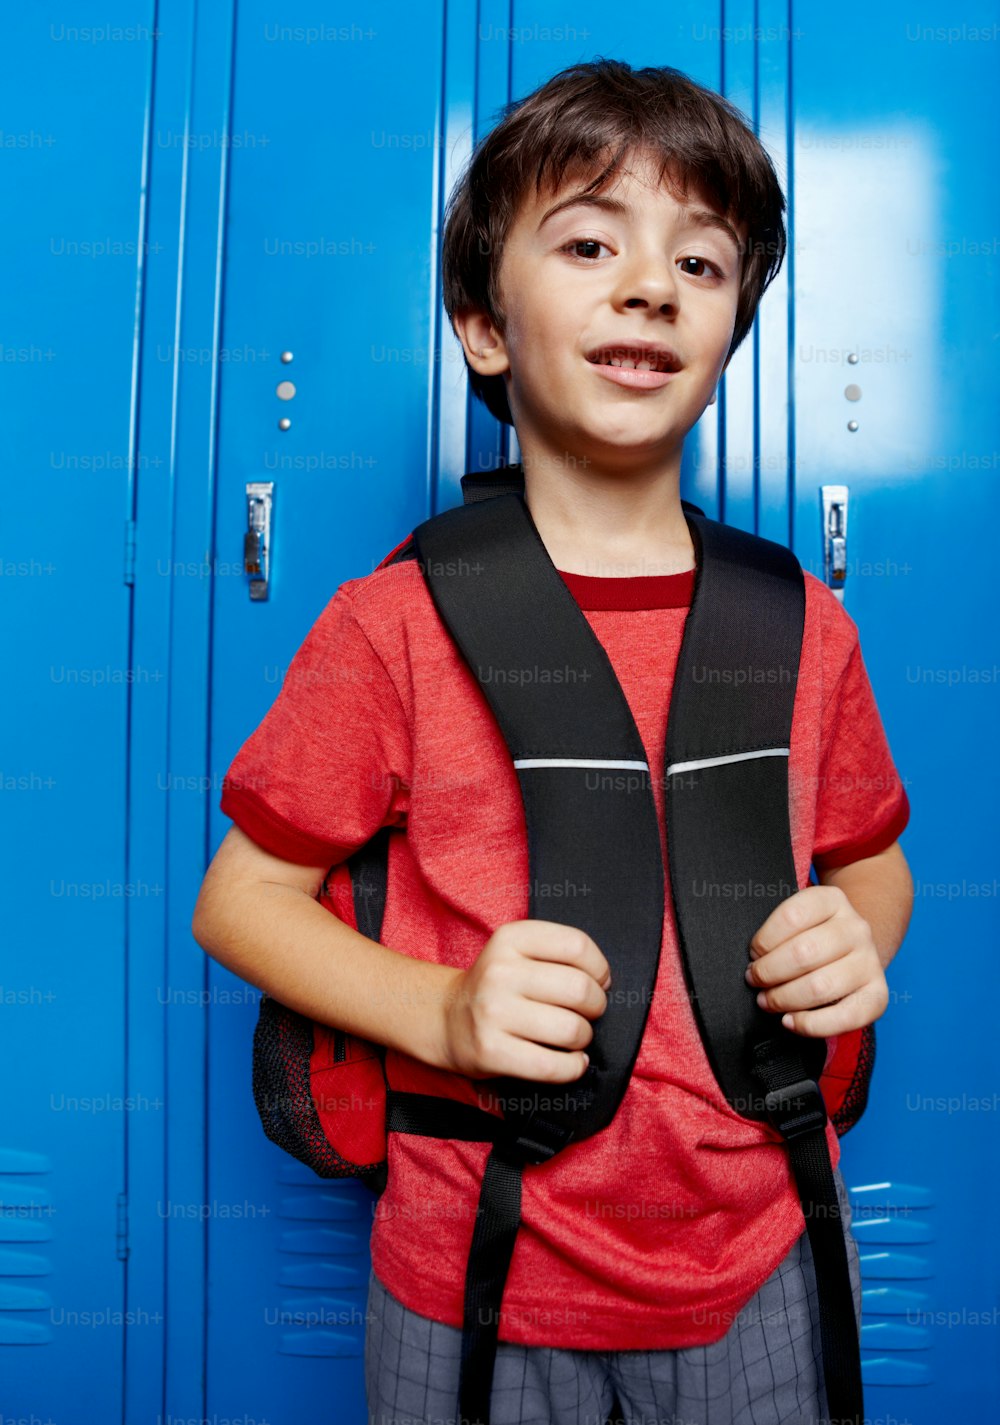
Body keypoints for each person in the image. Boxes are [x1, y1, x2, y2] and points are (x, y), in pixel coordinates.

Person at [192, 58, 914, 1425]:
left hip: (765, 1259)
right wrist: (444, 1010)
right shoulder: (392, 623)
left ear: (729, 326)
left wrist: (860, 932)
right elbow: (240, 900)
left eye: (701, 262)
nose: (650, 284)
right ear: (480, 324)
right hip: (472, 1267)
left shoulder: (803, 626)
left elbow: (875, 860)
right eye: (590, 242)